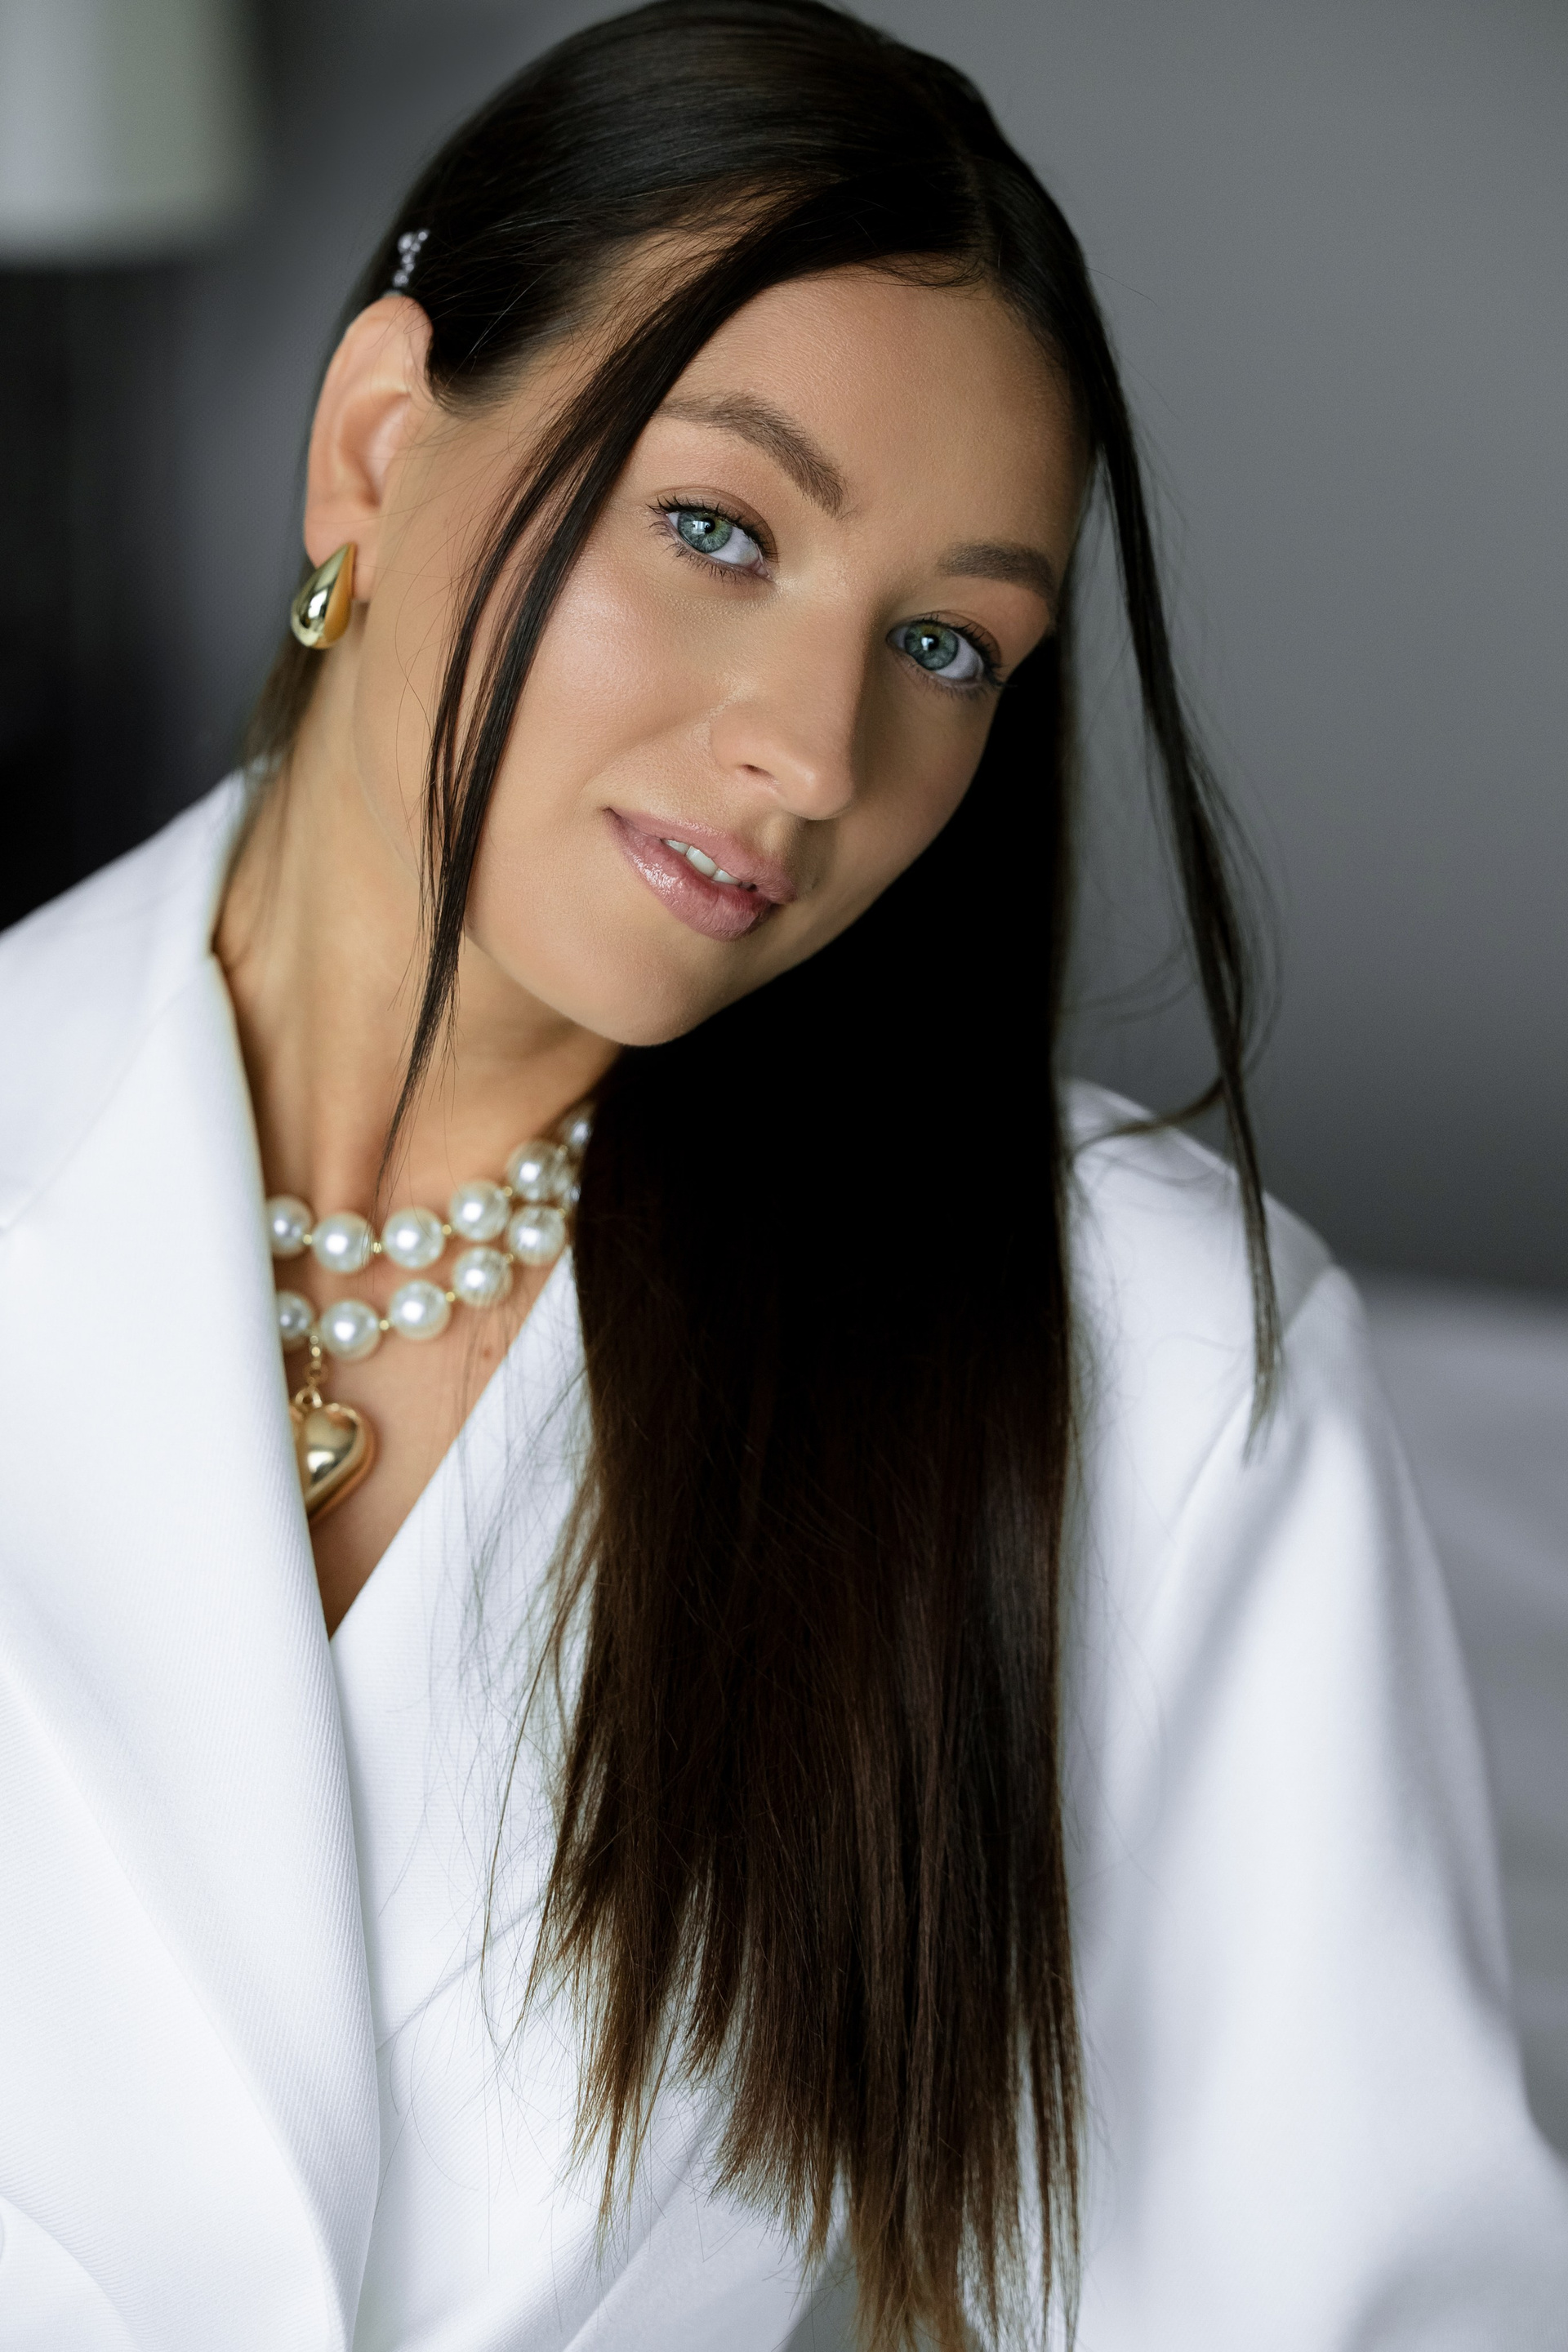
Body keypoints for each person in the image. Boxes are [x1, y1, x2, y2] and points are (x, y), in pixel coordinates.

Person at [0, 4, 1562, 2346]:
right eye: (719, 529)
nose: (817, 755)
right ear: (376, 448)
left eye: (945, 643)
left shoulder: (1134, 1367)